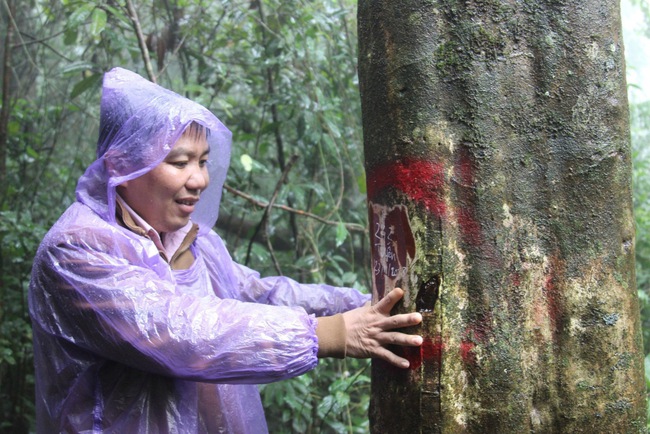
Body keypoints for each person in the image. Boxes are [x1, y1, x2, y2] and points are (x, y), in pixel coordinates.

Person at [28, 67, 422, 433]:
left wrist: (367, 305)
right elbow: (177, 330)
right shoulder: (76, 249)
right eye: (179, 162)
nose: (199, 179)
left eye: (202, 161)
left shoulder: (192, 238)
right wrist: (328, 334)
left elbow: (258, 294)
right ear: (122, 165)